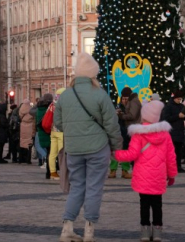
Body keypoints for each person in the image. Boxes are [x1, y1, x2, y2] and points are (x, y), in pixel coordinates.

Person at [55, 52, 122, 242]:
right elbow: (111, 124)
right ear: (93, 75)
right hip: (97, 148)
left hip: (74, 149)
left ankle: (67, 228)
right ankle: (89, 231)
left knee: (77, 187)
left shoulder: (66, 96)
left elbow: (59, 123)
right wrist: (116, 147)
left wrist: (74, 130)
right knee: (93, 188)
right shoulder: (100, 95)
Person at [115, 100, 177, 242]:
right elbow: (171, 157)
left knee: (144, 203)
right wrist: (172, 174)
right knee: (157, 204)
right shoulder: (165, 135)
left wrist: (116, 154)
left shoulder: (138, 134)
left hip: (143, 176)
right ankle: (157, 232)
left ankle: (144, 231)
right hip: (158, 176)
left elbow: (132, 154)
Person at [113, 87, 140, 179]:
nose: (124, 100)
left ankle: (125, 170)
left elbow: (132, 115)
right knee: (118, 149)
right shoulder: (119, 106)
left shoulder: (133, 102)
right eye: (123, 98)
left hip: (129, 129)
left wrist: (121, 115)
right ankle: (113, 170)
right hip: (122, 129)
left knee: (126, 149)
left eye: (126, 98)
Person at [160, 89, 185, 173]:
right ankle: (171, 166)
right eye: (178, 99)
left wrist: (184, 117)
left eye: (180, 99)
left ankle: (178, 166)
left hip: (180, 131)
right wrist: (178, 116)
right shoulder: (169, 106)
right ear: (174, 98)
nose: (179, 101)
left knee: (179, 151)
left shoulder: (181, 106)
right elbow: (166, 118)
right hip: (172, 132)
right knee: (172, 151)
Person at [31, 93, 53, 176]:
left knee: (48, 152)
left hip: (41, 131)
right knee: (51, 152)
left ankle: (48, 171)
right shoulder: (49, 109)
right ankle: (50, 171)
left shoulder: (38, 109)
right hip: (49, 132)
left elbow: (32, 112)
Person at [47, 89, 66, 179]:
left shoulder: (52, 104)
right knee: (62, 153)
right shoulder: (62, 105)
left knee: (52, 153)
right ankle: (63, 172)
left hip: (53, 131)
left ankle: (53, 172)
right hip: (61, 131)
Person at [18, 98, 36, 165]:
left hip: (22, 126)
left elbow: (19, 117)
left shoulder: (20, 110)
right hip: (30, 127)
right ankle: (28, 160)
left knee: (22, 143)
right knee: (29, 144)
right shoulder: (31, 111)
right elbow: (34, 121)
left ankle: (20, 159)